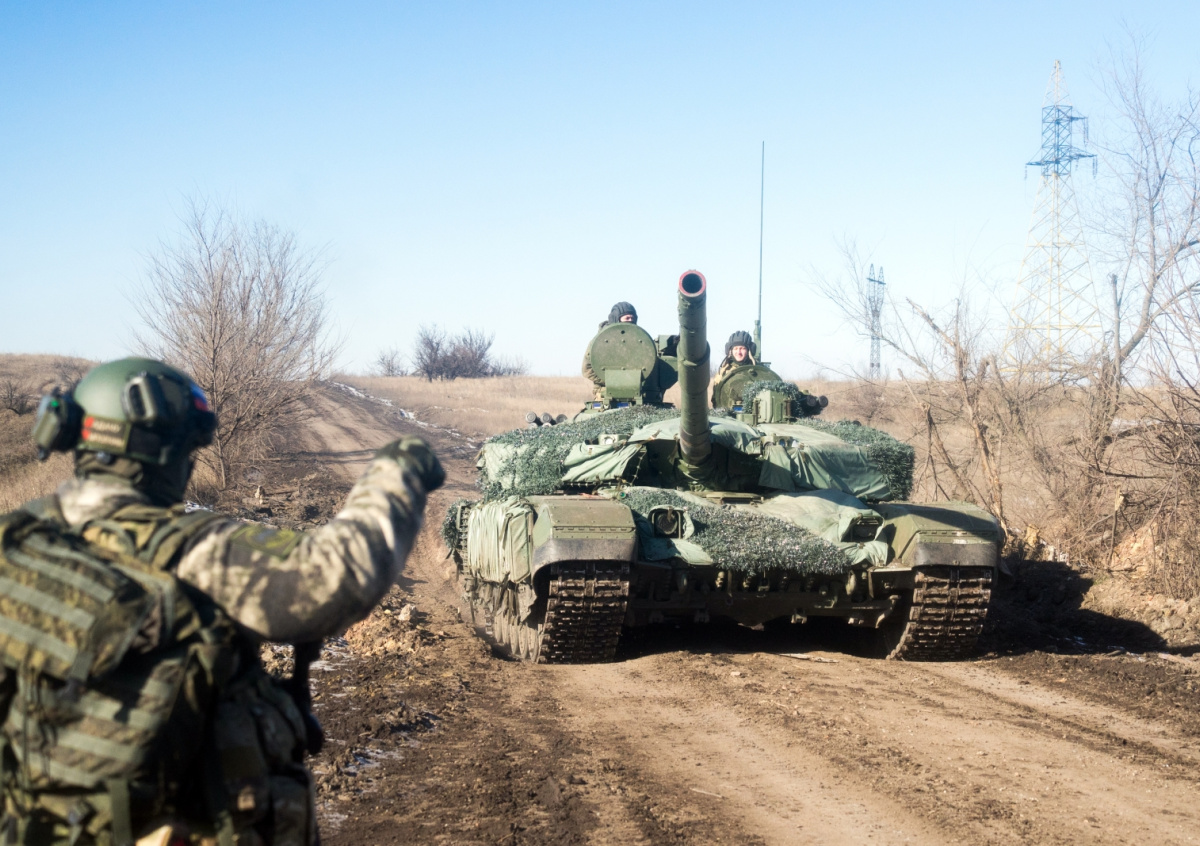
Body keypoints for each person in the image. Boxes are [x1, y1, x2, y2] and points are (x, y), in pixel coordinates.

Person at [0, 357, 443, 845]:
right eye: (188, 449)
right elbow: (336, 577)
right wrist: (398, 473)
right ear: (162, 451)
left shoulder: (12, 543)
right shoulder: (190, 548)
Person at [582, 301, 639, 393]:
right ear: (616, 319)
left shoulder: (639, 341)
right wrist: (613, 381)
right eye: (627, 318)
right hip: (605, 392)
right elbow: (587, 369)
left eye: (632, 318)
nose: (630, 320)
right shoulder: (599, 341)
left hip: (635, 392)